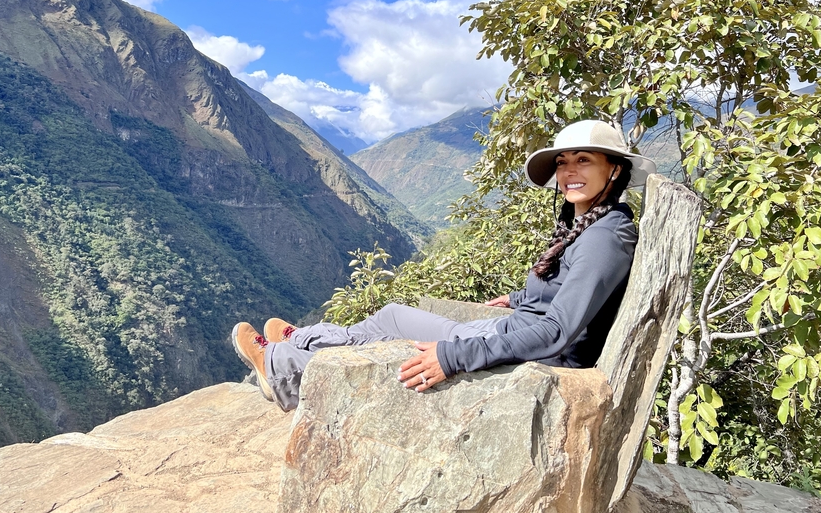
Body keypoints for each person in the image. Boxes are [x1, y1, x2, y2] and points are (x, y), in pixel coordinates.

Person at [231, 120, 657, 411]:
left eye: (583, 160)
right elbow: (562, 291)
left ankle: (280, 368)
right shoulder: (590, 221)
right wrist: (517, 297)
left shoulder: (606, 238)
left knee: (392, 351)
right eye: (563, 162)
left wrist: (454, 356)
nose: (567, 172)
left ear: (614, 169)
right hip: (513, 331)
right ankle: (303, 340)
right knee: (393, 315)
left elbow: (558, 331)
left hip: (538, 357)